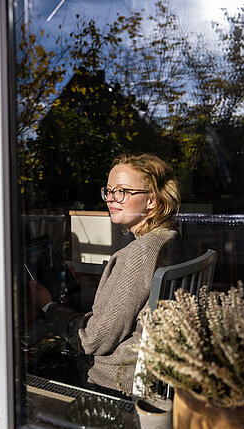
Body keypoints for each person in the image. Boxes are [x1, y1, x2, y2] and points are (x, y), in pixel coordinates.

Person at [29, 153, 183, 396]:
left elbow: (94, 339)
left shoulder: (139, 253)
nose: (111, 199)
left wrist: (48, 307)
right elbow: (129, 304)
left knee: (23, 370)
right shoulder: (169, 239)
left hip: (112, 383)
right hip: (147, 374)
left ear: (151, 201)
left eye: (122, 191)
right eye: (109, 191)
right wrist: (79, 292)